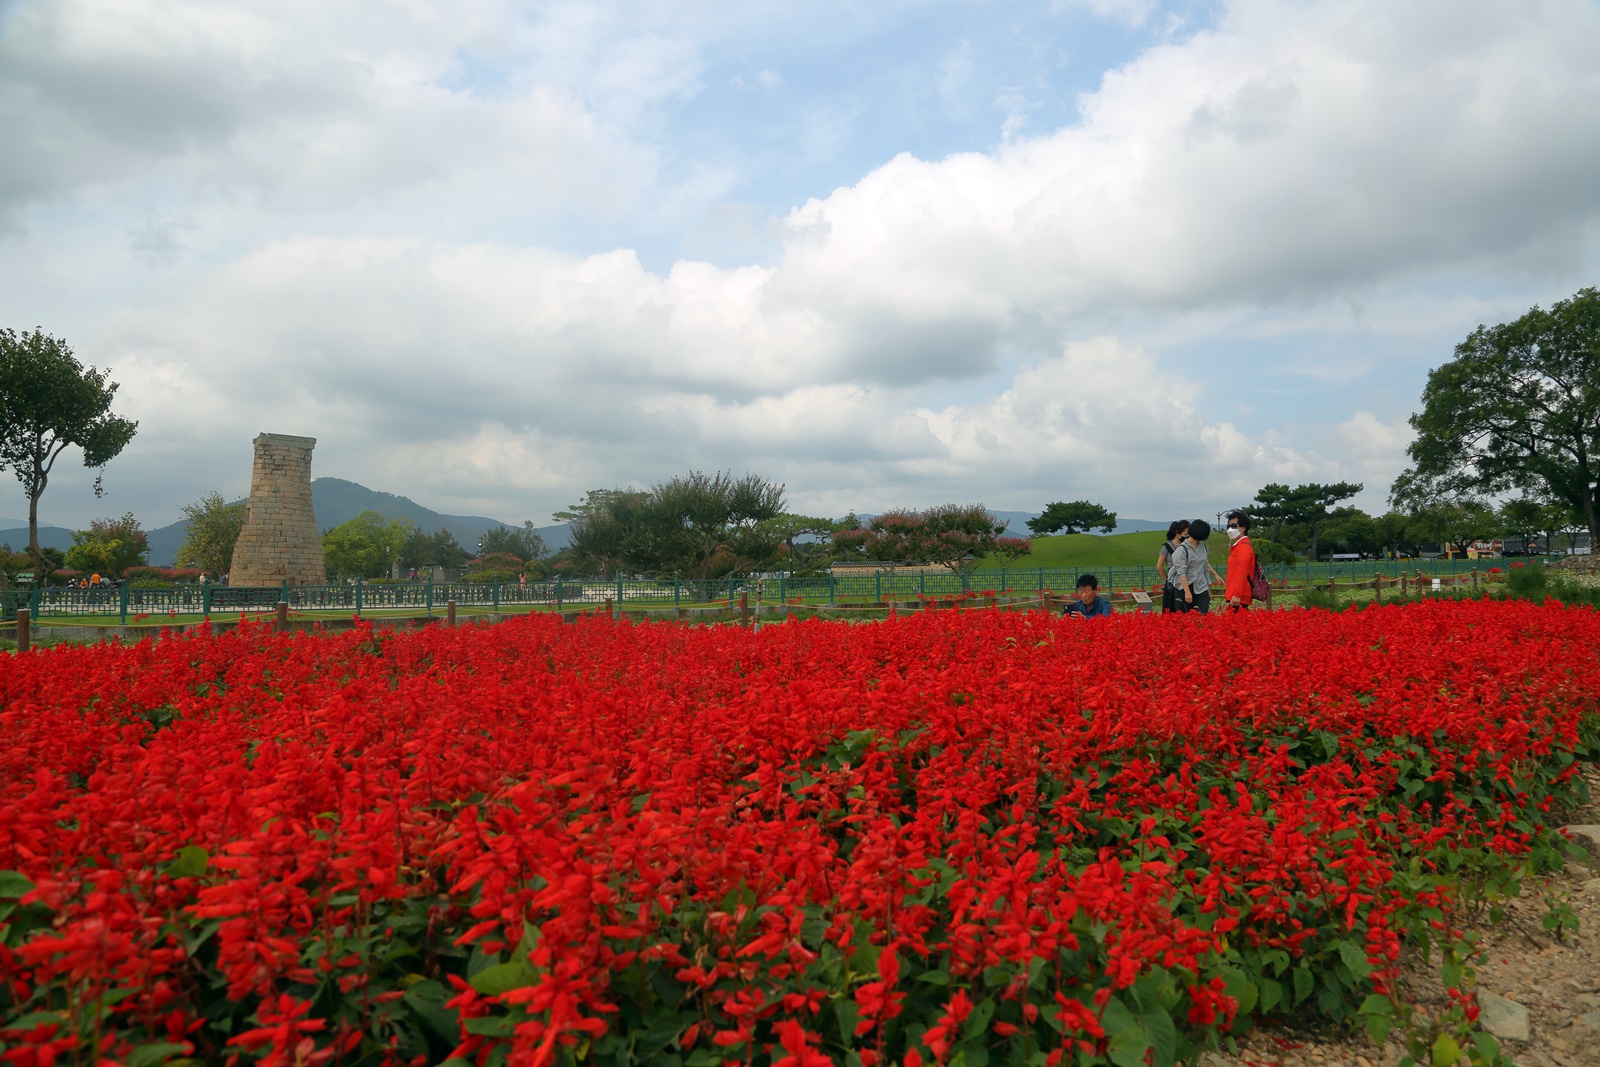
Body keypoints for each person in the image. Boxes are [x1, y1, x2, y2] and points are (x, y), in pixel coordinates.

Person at [1171, 519, 1223, 614]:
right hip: (1185, 586)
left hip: (1201, 586)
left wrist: (1207, 588)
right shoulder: (1181, 550)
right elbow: (1181, 573)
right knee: (1184, 616)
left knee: (1203, 614)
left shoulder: (1203, 547)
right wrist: (1187, 592)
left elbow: (1205, 567)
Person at [1224, 510, 1258, 611]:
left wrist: (1237, 594)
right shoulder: (1239, 546)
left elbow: (1242, 572)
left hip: (1239, 596)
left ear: (1243, 528)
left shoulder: (1243, 547)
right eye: (1229, 526)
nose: (1230, 529)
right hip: (1235, 594)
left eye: (1234, 526)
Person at [1156, 520, 1189, 614]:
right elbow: (1159, 566)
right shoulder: (1166, 547)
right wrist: (1167, 579)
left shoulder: (1186, 546)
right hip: (1173, 578)